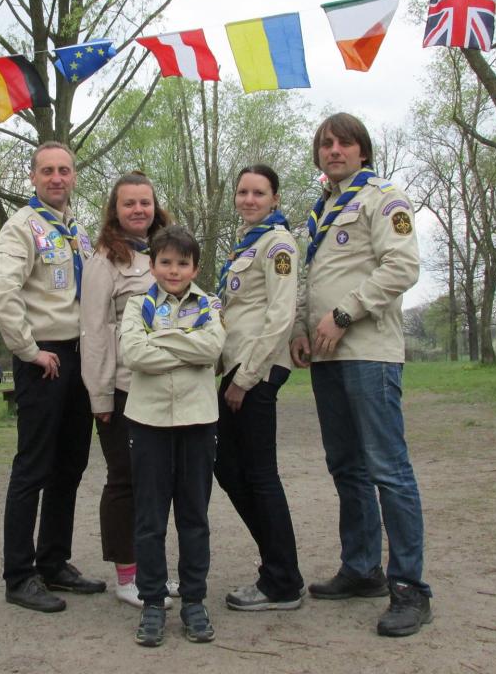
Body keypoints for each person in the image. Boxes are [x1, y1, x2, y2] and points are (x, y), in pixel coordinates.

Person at [289, 112, 432, 637]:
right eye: (326, 143)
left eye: (344, 143)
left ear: (362, 151)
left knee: (388, 470)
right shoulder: (321, 210)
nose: (334, 150)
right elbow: (311, 277)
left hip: (369, 353)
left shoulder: (383, 199)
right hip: (326, 357)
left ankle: (410, 588)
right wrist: (300, 327)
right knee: (346, 468)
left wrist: (344, 313)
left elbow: (402, 267)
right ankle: (362, 568)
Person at [0, 141, 105, 613]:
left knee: (70, 465)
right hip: (45, 360)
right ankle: (19, 575)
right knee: (33, 467)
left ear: (74, 177)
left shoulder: (77, 231)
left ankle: (53, 561)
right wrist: (29, 350)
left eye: (64, 171)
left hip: (79, 357)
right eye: (48, 171)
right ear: (33, 178)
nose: (57, 178)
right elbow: (1, 292)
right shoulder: (21, 228)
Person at [120, 226, 226, 647]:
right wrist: (186, 345)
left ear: (195, 268)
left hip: (198, 422)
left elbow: (212, 350)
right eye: (165, 262)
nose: (174, 270)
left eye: (183, 263)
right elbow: (134, 353)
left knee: (194, 517)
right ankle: (152, 602)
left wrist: (160, 339)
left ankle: (194, 601)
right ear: (152, 265)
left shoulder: (209, 305)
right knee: (150, 518)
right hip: (148, 423)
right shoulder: (137, 305)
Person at [214, 164, 304, 611]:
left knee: (259, 474)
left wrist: (246, 379)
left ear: (275, 199)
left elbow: (280, 316)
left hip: (256, 370)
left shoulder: (278, 244)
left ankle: (281, 580)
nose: (249, 200)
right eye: (243, 192)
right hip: (236, 366)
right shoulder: (247, 244)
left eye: (259, 193)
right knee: (228, 468)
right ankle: (277, 565)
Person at [80, 172, 172, 608]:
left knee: (159, 483)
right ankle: (127, 576)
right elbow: (94, 331)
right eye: (129, 203)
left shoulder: (166, 252)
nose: (138, 210)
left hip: (166, 388)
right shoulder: (104, 260)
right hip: (123, 390)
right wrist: (99, 395)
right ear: (114, 211)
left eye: (145, 202)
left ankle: (153, 569)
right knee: (126, 481)